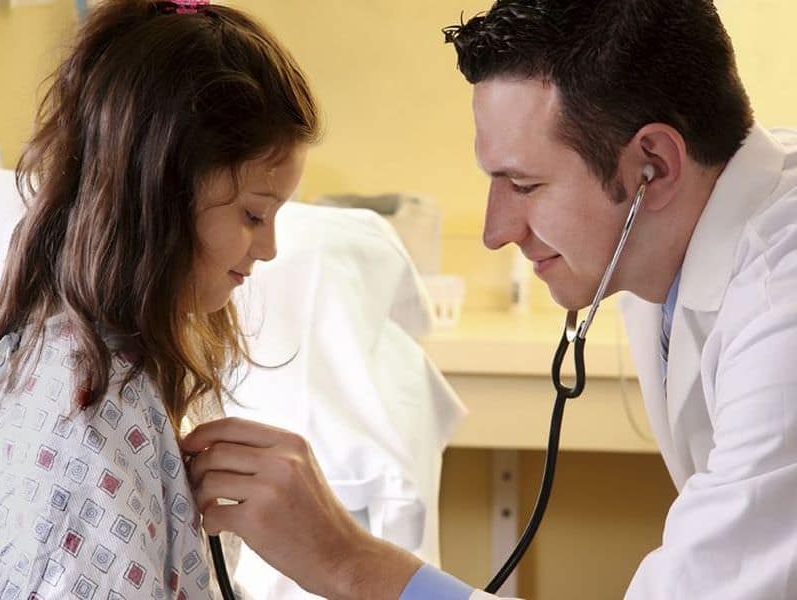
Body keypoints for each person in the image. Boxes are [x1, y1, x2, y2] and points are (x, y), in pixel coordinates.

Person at [181, 0, 797, 598]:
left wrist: (348, 563)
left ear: (654, 167)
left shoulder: (782, 311)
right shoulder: (673, 240)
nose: (495, 231)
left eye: (524, 184)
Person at [0, 0, 319, 598]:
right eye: (254, 215)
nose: (269, 248)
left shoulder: (92, 365)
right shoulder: (89, 415)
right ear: (161, 191)